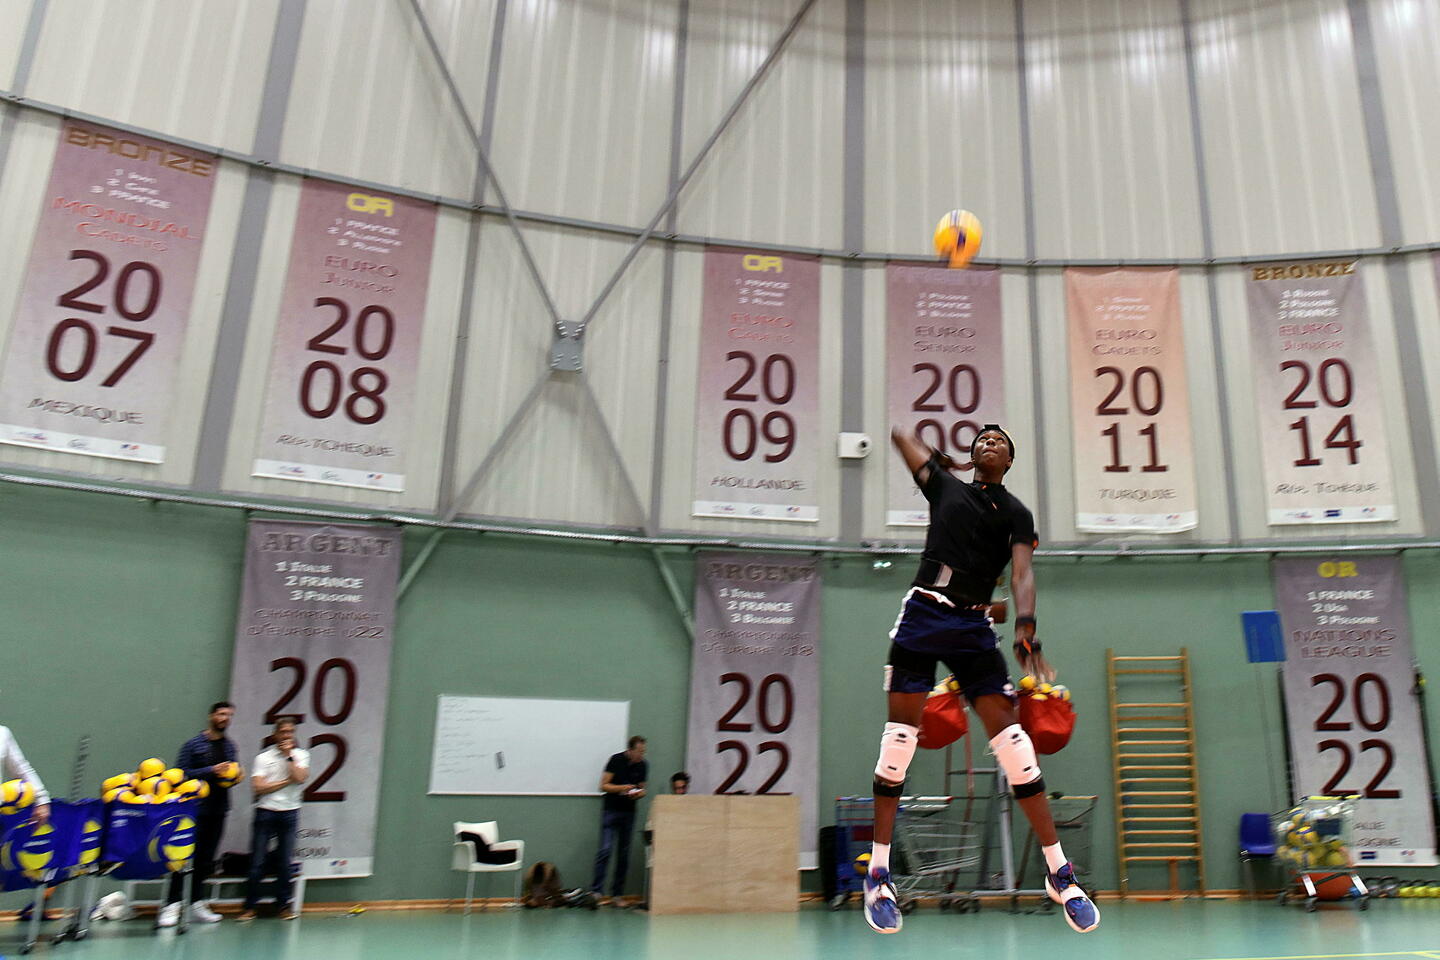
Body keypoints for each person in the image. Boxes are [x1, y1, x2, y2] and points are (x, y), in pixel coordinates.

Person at [862, 425, 1098, 936]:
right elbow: (902, 436)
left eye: (1000, 442)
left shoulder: (1016, 512)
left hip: (972, 626)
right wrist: (944, 461)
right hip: (924, 615)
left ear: (1010, 460)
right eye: (982, 440)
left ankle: (1060, 873)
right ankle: (879, 875)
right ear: (972, 455)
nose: (990, 444)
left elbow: (1021, 576)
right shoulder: (945, 486)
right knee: (898, 744)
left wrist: (1027, 626)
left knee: (1016, 745)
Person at [158, 701, 241, 927]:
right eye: (222, 714)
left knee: (206, 860)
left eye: (229, 715)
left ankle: (197, 902)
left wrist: (234, 776)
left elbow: (232, 773)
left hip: (218, 809)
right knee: (182, 857)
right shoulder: (193, 745)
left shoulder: (230, 746)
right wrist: (210, 771)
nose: (226, 719)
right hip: (193, 811)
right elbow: (179, 774)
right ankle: (172, 904)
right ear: (211, 716)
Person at [238, 717, 309, 921]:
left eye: (290, 732)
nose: (286, 736)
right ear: (275, 734)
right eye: (283, 732)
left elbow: (301, 777)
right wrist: (287, 781)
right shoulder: (263, 758)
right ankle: (250, 907)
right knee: (257, 861)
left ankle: (283, 906)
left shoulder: (301, 755)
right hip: (266, 811)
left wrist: (288, 758)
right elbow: (258, 787)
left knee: (285, 862)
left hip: (290, 812)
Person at [591, 735, 647, 903]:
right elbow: (604, 785)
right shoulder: (616, 760)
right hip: (611, 810)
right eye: (639, 751)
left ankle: (617, 894)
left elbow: (643, 789)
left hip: (629, 812)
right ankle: (597, 891)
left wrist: (637, 794)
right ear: (630, 750)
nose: (641, 755)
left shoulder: (643, 765)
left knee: (623, 854)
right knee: (605, 850)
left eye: (643, 752)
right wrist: (622, 788)